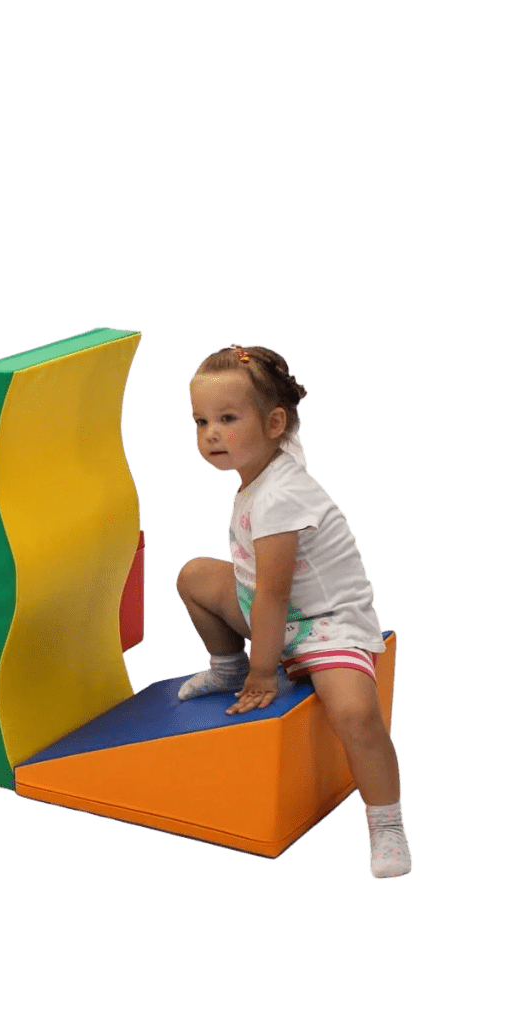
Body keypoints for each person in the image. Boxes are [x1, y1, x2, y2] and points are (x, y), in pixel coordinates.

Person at [176, 344, 412, 879]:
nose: (211, 434)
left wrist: (265, 673)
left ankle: (387, 823)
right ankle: (226, 667)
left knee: (355, 713)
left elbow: (275, 595)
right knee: (194, 575)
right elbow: (261, 593)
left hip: (326, 625)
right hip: (271, 608)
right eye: (201, 421)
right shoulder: (261, 463)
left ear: (275, 424)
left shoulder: (281, 494)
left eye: (228, 419)